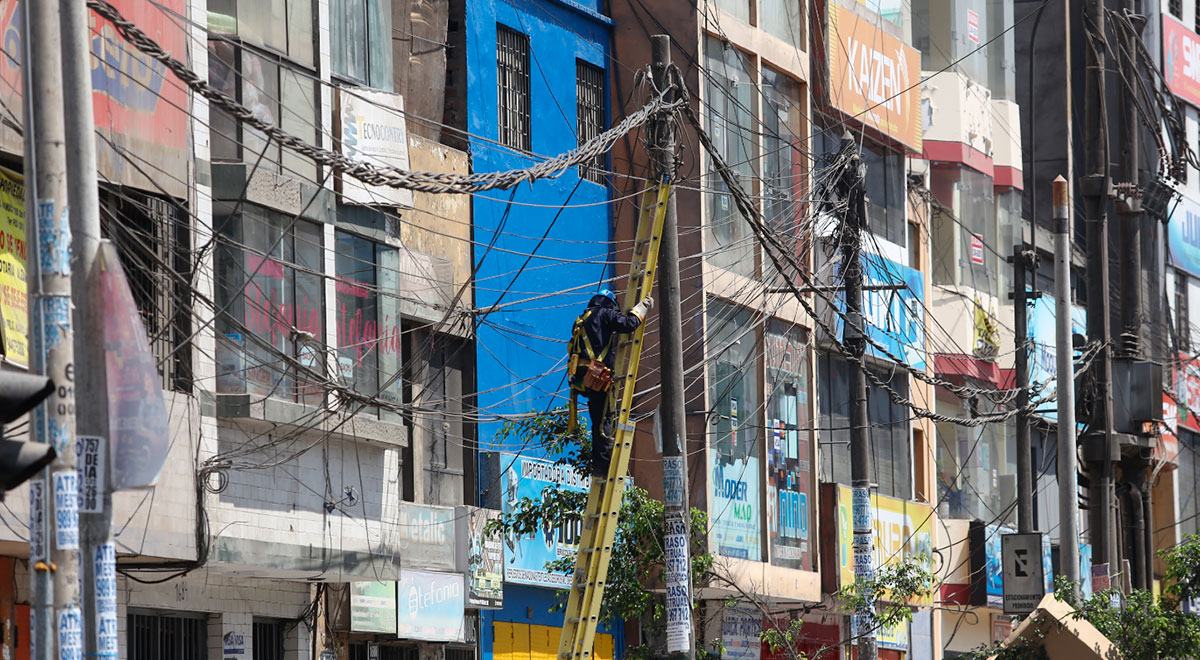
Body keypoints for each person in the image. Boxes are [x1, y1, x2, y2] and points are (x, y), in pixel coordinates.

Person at [568, 289, 654, 478]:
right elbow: (629, 324)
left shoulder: (581, 319)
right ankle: (604, 462)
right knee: (604, 420)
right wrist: (643, 306)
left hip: (582, 377)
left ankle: (599, 465)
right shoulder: (605, 314)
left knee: (597, 418)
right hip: (597, 374)